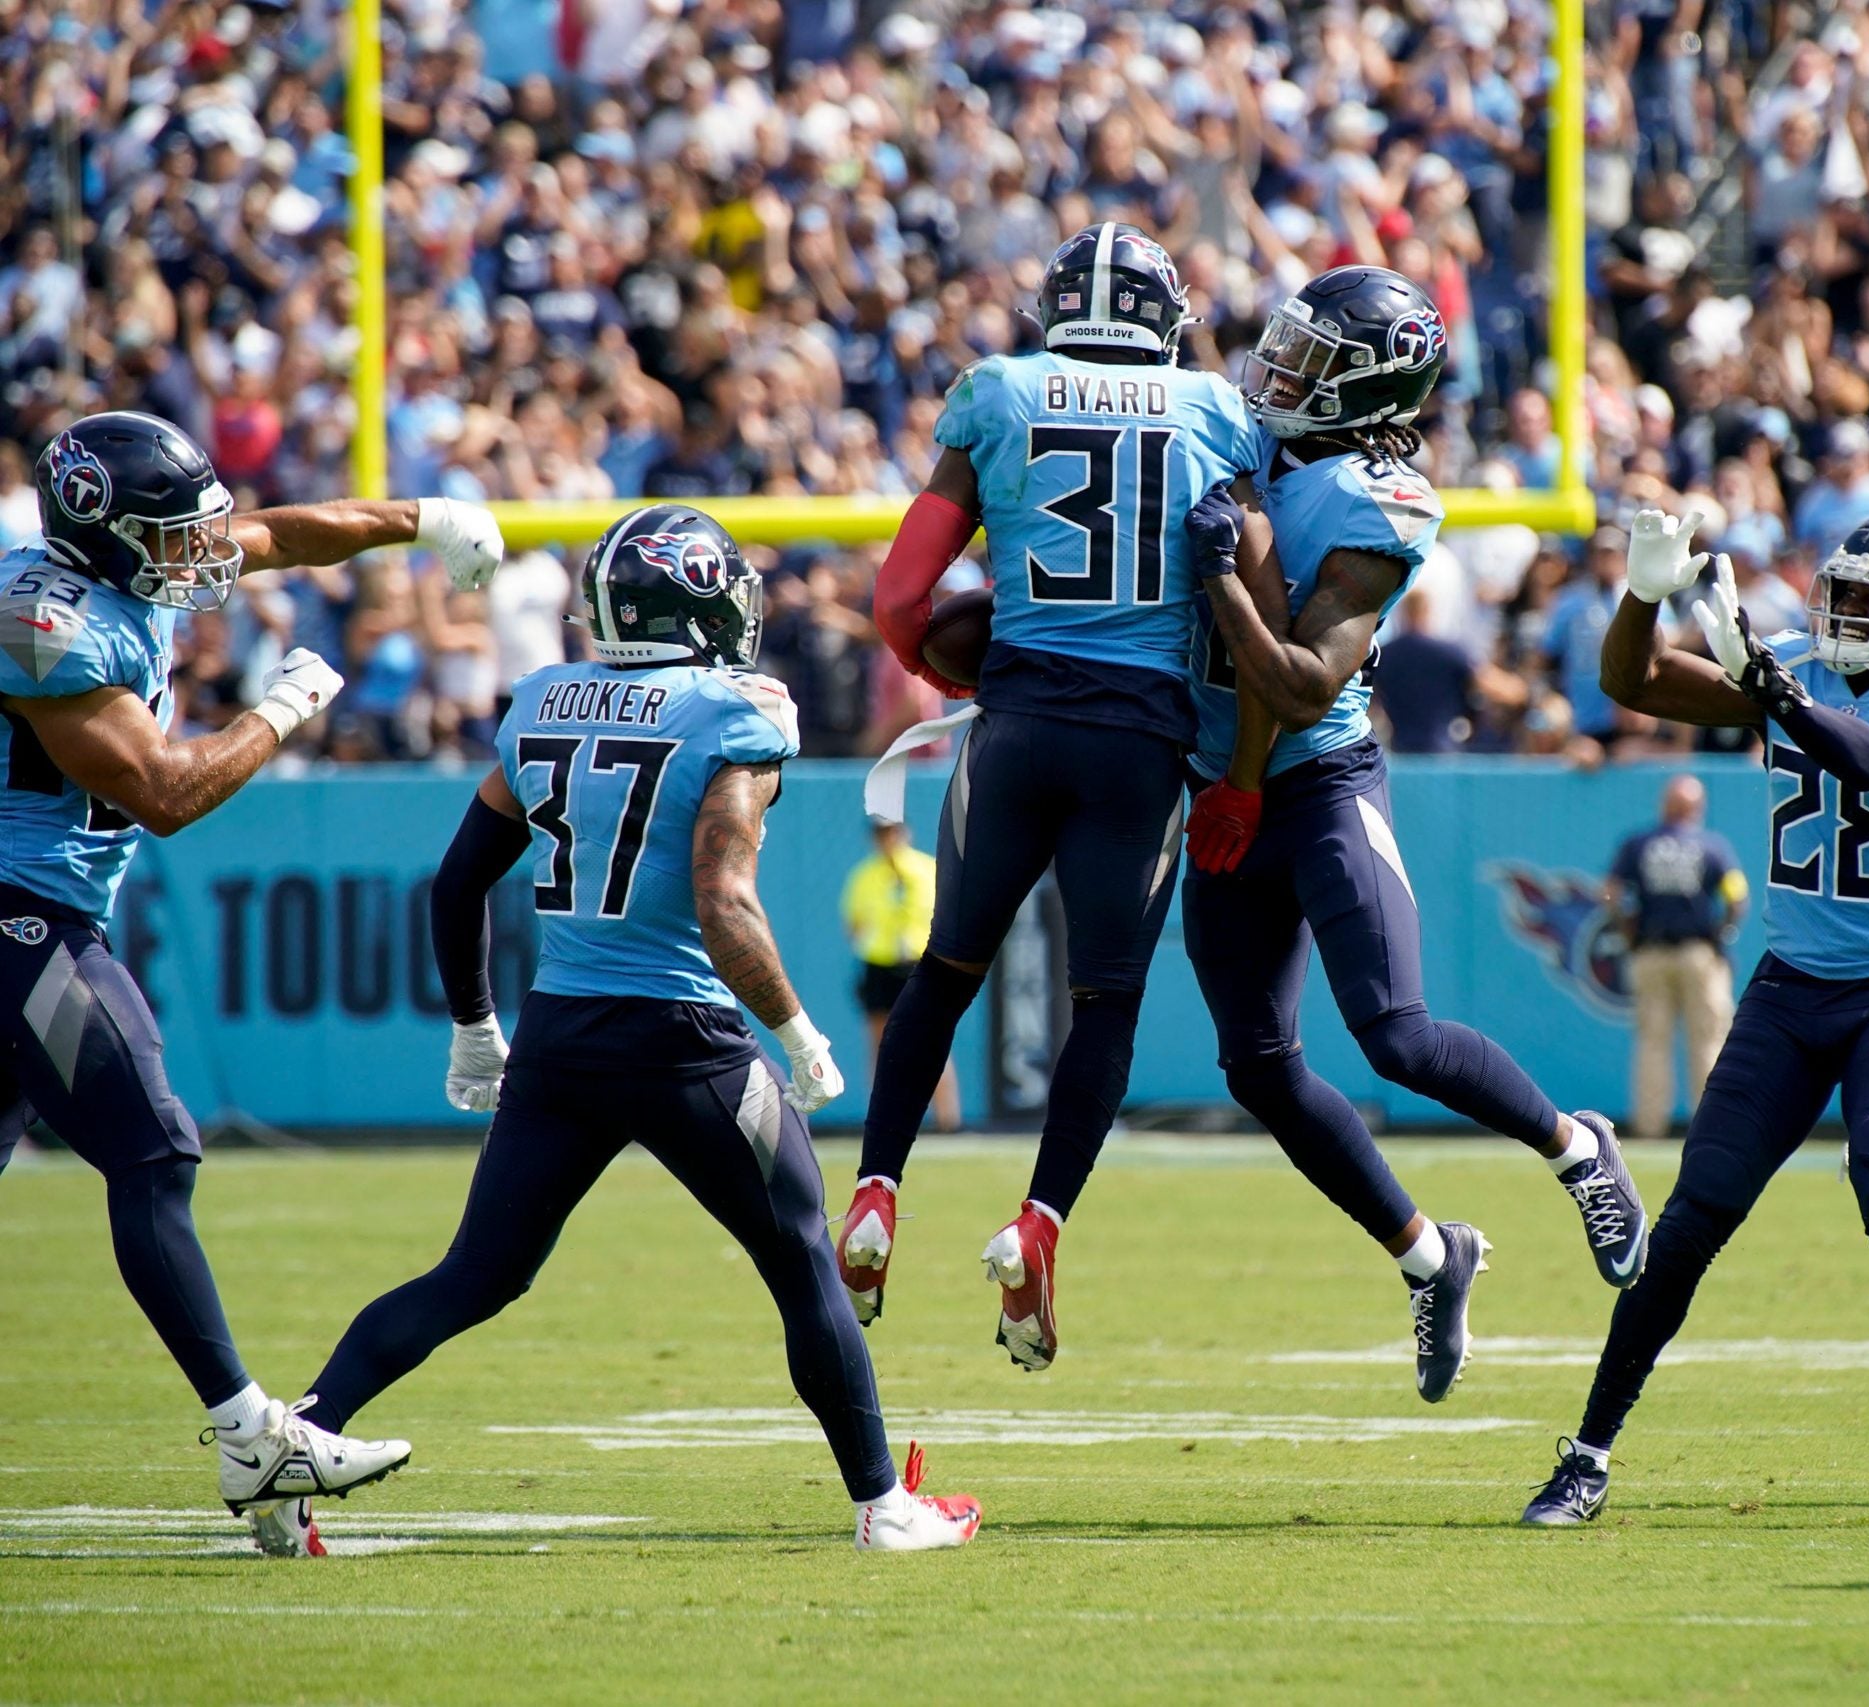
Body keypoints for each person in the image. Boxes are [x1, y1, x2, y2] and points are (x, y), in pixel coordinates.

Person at [289, 506, 979, 1553]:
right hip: (683, 1039)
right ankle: (883, 1506)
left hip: (562, 1037)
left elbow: (460, 880)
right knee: (799, 1259)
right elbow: (723, 897)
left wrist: (476, 1028)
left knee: (475, 1275)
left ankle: (296, 1438)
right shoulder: (733, 711)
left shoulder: (543, 702)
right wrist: (796, 1030)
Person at [0, 409, 503, 1556]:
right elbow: (163, 795)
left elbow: (274, 535)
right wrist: (281, 708)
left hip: (37, 910)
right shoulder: (40, 619)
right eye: (170, 533)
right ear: (102, 535)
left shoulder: (123, 570)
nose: (203, 551)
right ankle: (248, 1433)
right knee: (153, 1151)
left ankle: (257, 1451)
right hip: (19, 916)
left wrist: (417, 520)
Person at [1177, 267, 1651, 1402]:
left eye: (1310, 362)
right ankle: (1432, 1256)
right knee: (1256, 1068)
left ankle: (1575, 1147)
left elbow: (1295, 684)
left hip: (1321, 783)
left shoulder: (1377, 500)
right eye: (1282, 346)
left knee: (1394, 1034)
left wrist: (1219, 579)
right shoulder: (1247, 439)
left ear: (1368, 389)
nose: (1276, 371)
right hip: (1216, 783)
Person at [1523, 507, 1869, 1532]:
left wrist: (1775, 691)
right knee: (1693, 1217)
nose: (1841, 615)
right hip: (1790, 988)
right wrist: (1642, 591)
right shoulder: (1797, 670)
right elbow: (1631, 683)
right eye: (1841, 594)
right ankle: (1586, 1457)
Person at [838, 224, 1260, 1372]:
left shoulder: (1001, 391)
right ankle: (1037, 1224)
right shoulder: (1216, 411)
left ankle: (875, 1192)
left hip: (1016, 729)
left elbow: (897, 597)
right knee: (1106, 1002)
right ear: (1164, 317)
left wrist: (950, 669)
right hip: (1138, 745)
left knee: (945, 971)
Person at [1608, 776, 1747, 1140]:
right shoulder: (1711, 846)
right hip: (1698, 953)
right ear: (1697, 808)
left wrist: (1628, 933)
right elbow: (1736, 895)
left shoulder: (1639, 844)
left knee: (1652, 1042)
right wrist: (1723, 933)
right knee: (1709, 1039)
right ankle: (1712, 1126)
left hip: (1651, 952)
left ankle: (1649, 1126)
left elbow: (1611, 892)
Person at [838, 817, 958, 1210]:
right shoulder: (865, 875)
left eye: (891, 831)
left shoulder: (925, 868)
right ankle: (883, 1121)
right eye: (879, 833)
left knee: (931, 1039)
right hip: (880, 963)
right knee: (880, 1039)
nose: (886, 839)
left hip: (917, 962)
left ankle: (948, 1120)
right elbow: (853, 924)